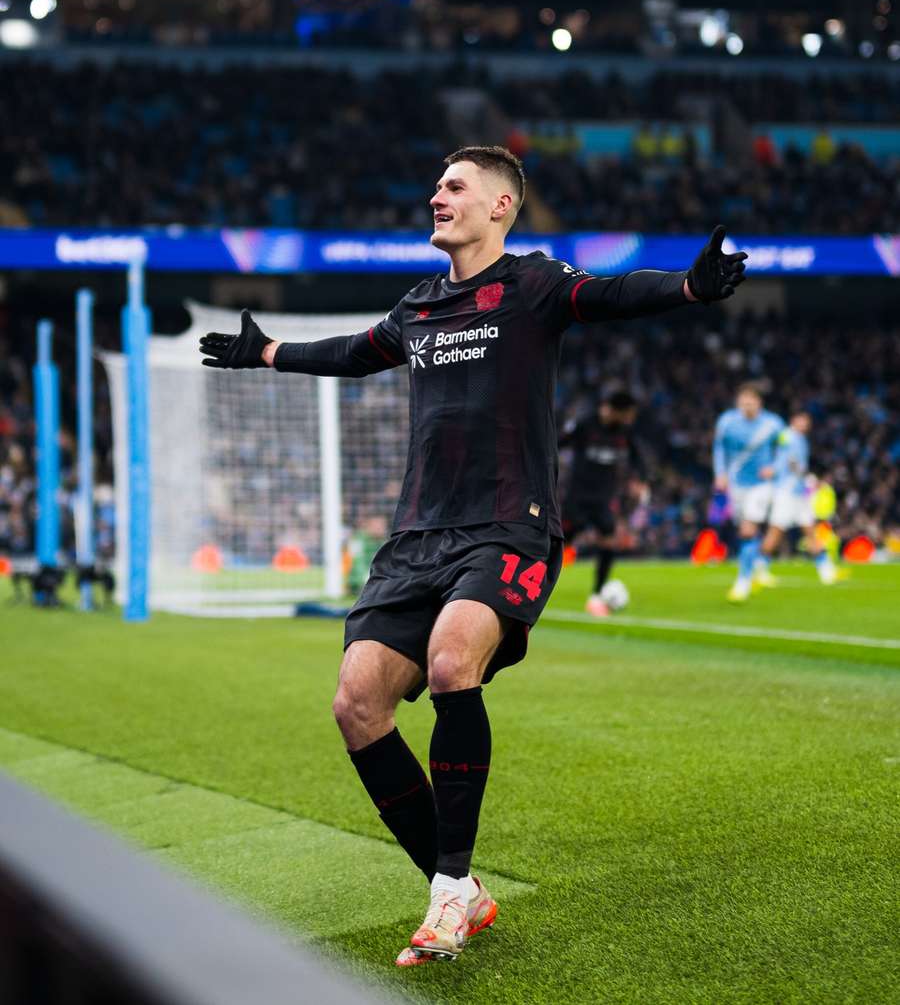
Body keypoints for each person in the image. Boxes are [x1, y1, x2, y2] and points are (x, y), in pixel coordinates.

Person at [200, 145, 747, 966]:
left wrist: (690, 287)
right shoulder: (419, 307)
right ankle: (456, 887)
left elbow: (608, 295)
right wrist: (267, 350)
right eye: (436, 184)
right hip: (416, 538)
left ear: (500, 206)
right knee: (356, 705)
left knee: (455, 661)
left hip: (506, 527)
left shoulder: (533, 285)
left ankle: (448, 890)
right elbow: (353, 352)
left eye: (454, 186)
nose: (436, 195)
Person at [559, 389, 645, 616]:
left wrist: (641, 480)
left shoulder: (624, 432)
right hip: (578, 497)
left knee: (608, 539)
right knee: (559, 546)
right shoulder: (586, 425)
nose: (631, 419)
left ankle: (596, 595)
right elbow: (559, 442)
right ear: (617, 410)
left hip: (603, 499)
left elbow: (638, 457)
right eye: (628, 414)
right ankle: (533, 585)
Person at [712, 384, 784, 603]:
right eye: (743, 401)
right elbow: (718, 448)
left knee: (747, 529)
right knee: (746, 530)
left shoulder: (773, 424)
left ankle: (743, 581)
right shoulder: (726, 422)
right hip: (736, 484)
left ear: (759, 403)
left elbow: (784, 448)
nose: (747, 405)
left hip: (761, 485)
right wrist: (720, 473)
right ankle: (758, 564)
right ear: (738, 402)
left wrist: (775, 467)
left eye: (751, 401)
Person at [754, 410, 837, 587]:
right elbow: (789, 461)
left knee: (810, 530)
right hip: (786, 492)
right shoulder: (788, 436)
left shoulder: (800, 439)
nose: (804, 424)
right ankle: (759, 569)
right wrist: (810, 479)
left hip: (798, 493)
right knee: (775, 532)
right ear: (793, 420)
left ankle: (826, 570)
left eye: (806, 421)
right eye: (801, 420)